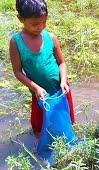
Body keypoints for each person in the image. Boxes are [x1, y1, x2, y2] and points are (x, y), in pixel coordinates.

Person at [9, 0, 75, 139]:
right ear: (20, 19)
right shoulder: (16, 42)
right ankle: (42, 145)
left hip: (60, 89)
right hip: (39, 94)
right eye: (35, 24)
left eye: (44, 22)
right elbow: (18, 72)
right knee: (39, 126)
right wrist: (36, 88)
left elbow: (61, 63)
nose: (40, 27)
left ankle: (65, 136)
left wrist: (63, 81)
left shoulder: (50, 37)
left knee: (65, 117)